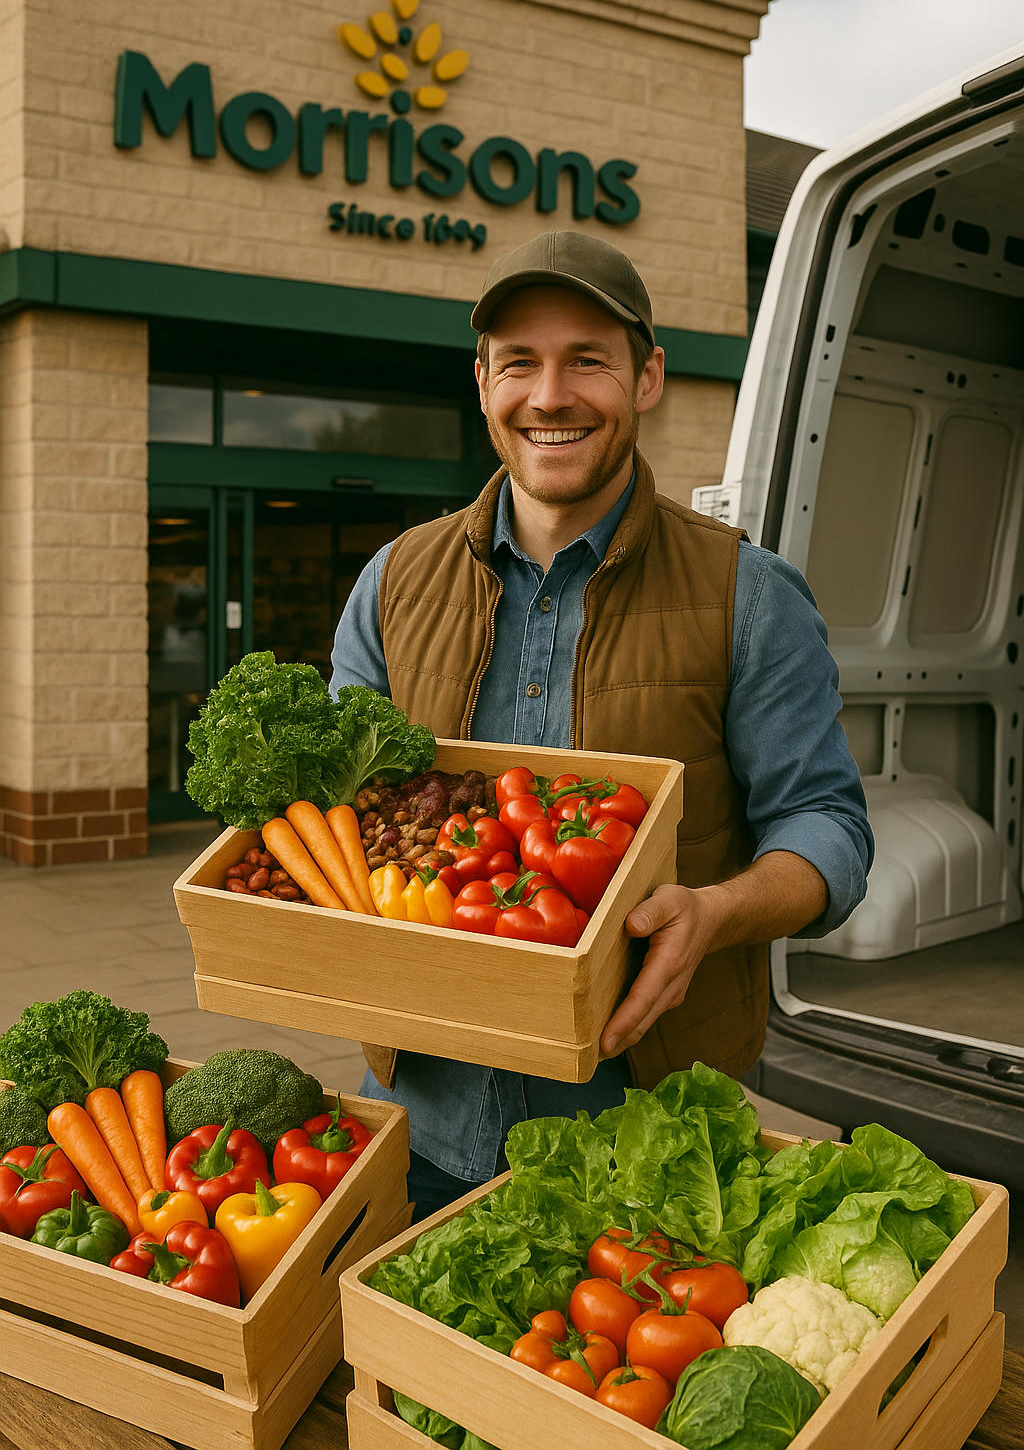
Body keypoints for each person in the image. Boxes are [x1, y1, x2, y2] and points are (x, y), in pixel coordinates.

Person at [331, 229, 872, 1217]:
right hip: (415, 1118)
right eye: (519, 364)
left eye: (586, 359)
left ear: (648, 377)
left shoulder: (746, 596)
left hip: (646, 1139)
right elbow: (333, 811)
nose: (548, 396)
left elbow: (828, 831)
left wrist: (714, 914)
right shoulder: (392, 583)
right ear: (483, 382)